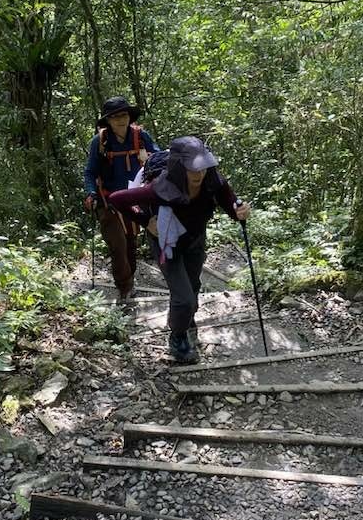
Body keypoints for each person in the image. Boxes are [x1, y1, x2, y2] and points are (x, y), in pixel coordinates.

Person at [107, 136, 250, 363]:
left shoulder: (214, 181)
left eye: (202, 167)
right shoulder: (159, 188)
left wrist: (239, 211)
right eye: (193, 169)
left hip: (195, 240)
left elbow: (231, 205)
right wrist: (146, 221)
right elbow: (117, 199)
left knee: (192, 287)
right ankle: (178, 338)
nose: (199, 174)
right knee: (183, 298)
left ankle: (185, 320)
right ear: (179, 168)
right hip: (167, 243)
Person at [84, 96, 159, 300]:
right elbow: (90, 172)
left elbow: (160, 160)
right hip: (107, 200)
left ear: (129, 116)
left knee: (130, 242)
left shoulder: (141, 136)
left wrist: (152, 160)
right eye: (115, 117)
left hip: (134, 199)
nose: (120, 120)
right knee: (117, 245)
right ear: (108, 120)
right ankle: (124, 287)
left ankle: (129, 280)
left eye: (123, 115)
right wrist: (91, 193)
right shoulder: (99, 142)